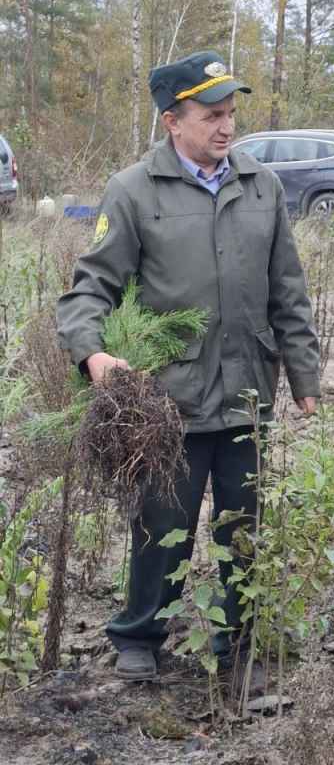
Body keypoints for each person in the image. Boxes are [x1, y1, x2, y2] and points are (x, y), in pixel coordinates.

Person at [57, 51, 320, 681]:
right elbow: (90, 286)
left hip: (247, 392)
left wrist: (304, 376)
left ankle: (240, 641)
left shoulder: (263, 185)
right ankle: (140, 635)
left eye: (231, 114)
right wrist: (92, 353)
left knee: (244, 530)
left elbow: (288, 287)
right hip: (167, 399)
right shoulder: (131, 191)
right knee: (159, 522)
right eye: (211, 115)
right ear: (173, 121)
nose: (227, 127)